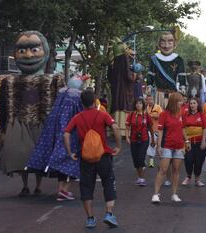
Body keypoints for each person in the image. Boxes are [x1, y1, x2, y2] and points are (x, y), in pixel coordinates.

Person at [0, 31, 65, 196]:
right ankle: (25, 185)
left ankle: (37, 185)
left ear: (44, 52)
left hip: (42, 125)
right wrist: (3, 130)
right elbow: (4, 107)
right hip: (19, 125)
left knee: (39, 157)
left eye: (35, 49)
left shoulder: (53, 80)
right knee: (21, 158)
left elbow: (60, 107)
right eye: (22, 50)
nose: (29, 55)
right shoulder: (9, 82)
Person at [64, 89, 121, 228]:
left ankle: (90, 218)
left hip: (85, 157)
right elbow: (115, 127)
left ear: (82, 103)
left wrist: (70, 152)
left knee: (87, 187)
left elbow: (66, 134)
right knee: (108, 182)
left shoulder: (77, 117)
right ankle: (109, 213)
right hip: (103, 155)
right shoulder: (102, 114)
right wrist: (118, 146)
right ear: (94, 101)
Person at [27, 75, 86, 202]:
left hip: (54, 131)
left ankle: (61, 190)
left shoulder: (61, 97)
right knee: (71, 160)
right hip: (70, 133)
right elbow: (81, 114)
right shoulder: (76, 98)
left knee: (60, 158)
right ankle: (64, 190)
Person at [151, 92, 188, 203]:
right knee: (163, 169)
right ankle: (156, 194)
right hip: (167, 145)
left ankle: (174, 194)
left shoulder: (182, 114)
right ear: (174, 102)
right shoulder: (164, 114)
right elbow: (160, 131)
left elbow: (183, 129)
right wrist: (158, 145)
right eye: (180, 101)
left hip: (179, 146)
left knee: (176, 170)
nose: (182, 103)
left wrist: (186, 141)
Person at [146, 31, 186, 107]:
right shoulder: (154, 59)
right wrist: (149, 86)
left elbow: (182, 76)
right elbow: (150, 75)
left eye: (170, 42)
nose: (166, 46)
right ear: (159, 44)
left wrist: (183, 87)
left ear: (174, 45)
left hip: (173, 94)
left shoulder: (178, 59)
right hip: (158, 94)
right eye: (163, 42)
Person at [125, 98, 154, 186]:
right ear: (135, 105)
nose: (138, 105)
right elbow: (127, 127)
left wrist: (153, 139)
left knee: (141, 158)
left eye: (140, 103)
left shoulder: (146, 115)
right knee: (135, 160)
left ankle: (142, 178)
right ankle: (139, 176)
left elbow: (151, 128)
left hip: (144, 139)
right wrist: (127, 137)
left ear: (143, 105)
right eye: (137, 103)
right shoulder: (131, 114)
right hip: (133, 139)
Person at [182, 97, 206, 187]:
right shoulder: (186, 114)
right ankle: (188, 177)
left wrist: (204, 141)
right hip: (189, 142)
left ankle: (197, 179)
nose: (192, 105)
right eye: (191, 103)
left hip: (200, 142)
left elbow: (205, 128)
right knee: (188, 160)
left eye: (194, 103)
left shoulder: (202, 115)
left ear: (198, 104)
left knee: (199, 161)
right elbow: (183, 128)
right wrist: (186, 141)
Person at [146, 94, 163, 168]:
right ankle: (151, 161)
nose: (149, 101)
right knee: (151, 145)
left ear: (153, 100)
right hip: (148, 130)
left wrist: (151, 116)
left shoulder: (158, 107)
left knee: (157, 145)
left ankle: (162, 161)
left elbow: (161, 116)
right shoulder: (146, 108)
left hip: (157, 130)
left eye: (150, 99)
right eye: (148, 99)